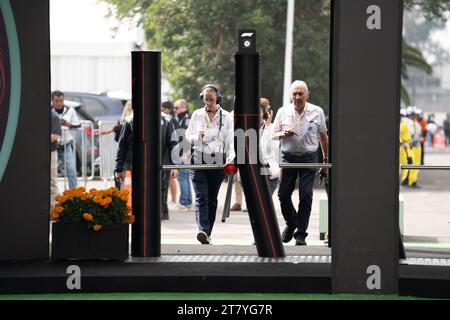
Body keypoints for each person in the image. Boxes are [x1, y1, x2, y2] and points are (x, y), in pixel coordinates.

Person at [272, 80, 328, 246]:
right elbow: (273, 135)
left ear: (307, 94)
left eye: (300, 94)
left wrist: (325, 161)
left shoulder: (317, 112)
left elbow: (324, 138)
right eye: (294, 94)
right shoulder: (283, 111)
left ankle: (301, 234)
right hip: (287, 157)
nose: (297, 97)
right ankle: (292, 223)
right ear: (290, 95)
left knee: (305, 195)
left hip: (308, 157)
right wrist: (283, 133)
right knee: (283, 194)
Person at [185, 84, 235, 244]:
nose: (208, 103)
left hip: (218, 160)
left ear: (218, 99)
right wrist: (195, 137)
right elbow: (187, 135)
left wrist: (231, 158)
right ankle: (202, 230)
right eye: (206, 99)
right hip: (199, 157)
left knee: (212, 199)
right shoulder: (197, 114)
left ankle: (207, 232)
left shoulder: (226, 116)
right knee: (201, 197)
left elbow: (231, 139)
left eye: (211, 100)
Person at [114, 112, 178, 220]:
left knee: (160, 189)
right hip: (138, 164)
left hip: (160, 162)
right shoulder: (131, 120)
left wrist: (175, 165)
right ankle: (143, 214)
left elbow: (173, 144)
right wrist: (119, 167)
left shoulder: (166, 120)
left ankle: (160, 213)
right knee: (140, 190)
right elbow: (122, 145)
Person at [51, 90, 80, 189]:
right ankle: (53, 196)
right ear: (52, 101)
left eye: (61, 101)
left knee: (71, 171)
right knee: (51, 173)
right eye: (56, 101)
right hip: (52, 146)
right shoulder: (49, 110)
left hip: (66, 145)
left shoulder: (70, 110)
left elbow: (77, 124)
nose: (59, 103)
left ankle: (74, 196)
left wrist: (67, 124)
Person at [161, 100, 183, 211]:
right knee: (168, 180)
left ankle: (173, 201)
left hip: (169, 155)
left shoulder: (170, 120)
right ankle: (168, 203)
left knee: (170, 179)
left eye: (163, 108)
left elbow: (177, 138)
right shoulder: (168, 119)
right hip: (169, 154)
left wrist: (177, 158)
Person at [174, 99, 193, 210]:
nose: (175, 110)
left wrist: (184, 152)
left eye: (176, 108)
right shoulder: (182, 118)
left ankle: (184, 202)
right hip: (185, 150)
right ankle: (187, 201)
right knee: (184, 176)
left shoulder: (186, 119)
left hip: (185, 150)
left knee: (183, 176)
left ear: (183, 107)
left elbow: (186, 137)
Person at [259, 97, 280, 195]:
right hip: (252, 172)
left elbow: (272, 148)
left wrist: (267, 128)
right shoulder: (246, 128)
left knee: (265, 205)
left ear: (265, 114)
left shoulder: (272, 129)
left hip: (269, 173)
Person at [50, 109, 62, 207]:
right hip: (38, 152)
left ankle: (53, 209)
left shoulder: (54, 116)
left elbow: (54, 136)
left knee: (52, 181)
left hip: (51, 152)